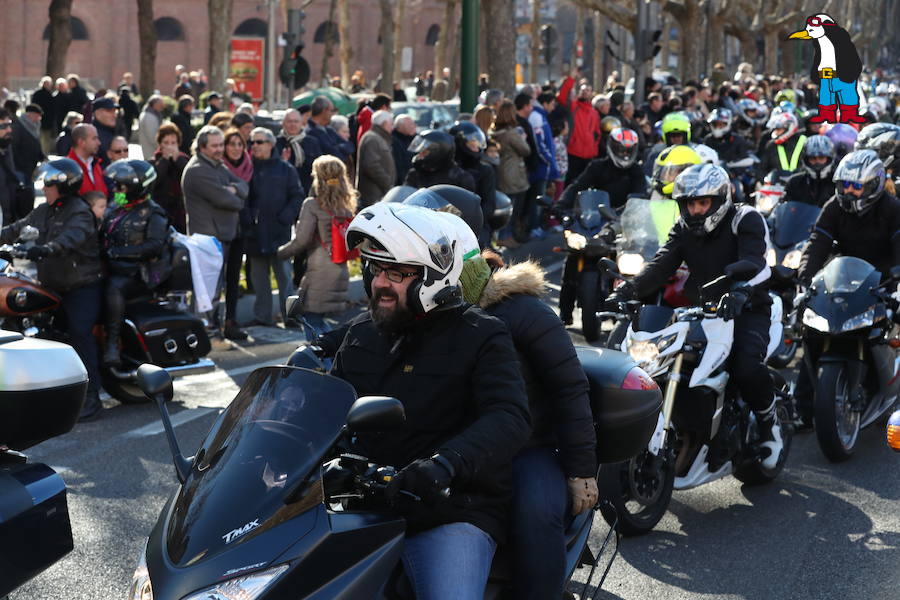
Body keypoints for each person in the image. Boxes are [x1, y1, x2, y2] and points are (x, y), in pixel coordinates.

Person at [332, 202, 531, 600]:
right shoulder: (361, 334)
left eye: (397, 273)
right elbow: (328, 408)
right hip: (363, 503)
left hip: (450, 510)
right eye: (374, 269)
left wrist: (445, 464)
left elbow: (509, 416)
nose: (379, 284)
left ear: (433, 276)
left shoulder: (481, 335)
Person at [441, 211, 597, 600]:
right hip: (452, 445)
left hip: (527, 448)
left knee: (536, 513)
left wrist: (581, 470)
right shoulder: (423, 312)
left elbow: (570, 388)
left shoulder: (523, 311)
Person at [607, 163, 784, 470]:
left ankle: (771, 427)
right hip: (701, 311)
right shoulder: (684, 227)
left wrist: (740, 291)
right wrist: (628, 290)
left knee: (745, 367)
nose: (697, 210)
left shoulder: (745, 219)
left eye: (703, 203)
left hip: (748, 308)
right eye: (690, 203)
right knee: (655, 360)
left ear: (719, 199)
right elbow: (662, 263)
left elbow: (757, 263)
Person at [795, 150, 900, 426]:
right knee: (814, 332)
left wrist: (898, 281)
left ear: (874, 184)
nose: (850, 192)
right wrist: (804, 280)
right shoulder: (834, 207)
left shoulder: (892, 208)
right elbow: (817, 243)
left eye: (857, 186)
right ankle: (803, 408)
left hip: (886, 278)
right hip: (845, 277)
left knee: (892, 330)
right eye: (845, 185)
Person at [0, 158, 103, 420]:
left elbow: (69, 240)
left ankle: (92, 397)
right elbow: (15, 229)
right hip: (53, 285)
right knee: (45, 334)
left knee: (79, 333)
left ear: (63, 185)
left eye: (48, 183)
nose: (43, 188)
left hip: (81, 285)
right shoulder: (44, 210)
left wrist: (43, 249)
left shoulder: (80, 212)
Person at [100, 159, 171, 367]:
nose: (116, 189)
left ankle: (112, 343)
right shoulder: (116, 208)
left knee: (114, 287)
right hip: (114, 268)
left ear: (136, 187)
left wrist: (118, 252)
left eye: (121, 186)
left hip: (140, 274)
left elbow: (155, 246)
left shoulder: (153, 212)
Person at [181, 125, 249, 340]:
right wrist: (234, 193)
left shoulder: (217, 165)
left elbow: (243, 186)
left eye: (221, 144)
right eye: (215, 145)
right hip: (209, 239)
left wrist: (235, 189)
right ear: (202, 147)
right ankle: (204, 335)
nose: (220, 149)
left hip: (224, 236)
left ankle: (214, 331)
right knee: (207, 292)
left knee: (219, 288)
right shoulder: (198, 169)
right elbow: (229, 201)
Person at [278, 155, 357, 329]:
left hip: (320, 270)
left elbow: (302, 240)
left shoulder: (312, 205)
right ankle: (330, 354)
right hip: (340, 268)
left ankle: (324, 356)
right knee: (318, 320)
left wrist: (280, 253)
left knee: (310, 320)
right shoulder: (346, 208)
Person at [244, 128, 303, 326]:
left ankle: (291, 318)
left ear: (270, 144)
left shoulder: (286, 169)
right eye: (252, 142)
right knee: (259, 280)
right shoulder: (247, 168)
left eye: (259, 142)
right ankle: (262, 317)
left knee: (285, 279)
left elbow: (297, 196)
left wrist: (284, 218)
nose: (255, 146)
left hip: (279, 234)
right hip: (255, 234)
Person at [491, 101, 531, 247]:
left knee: (504, 205)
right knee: (512, 207)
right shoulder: (511, 133)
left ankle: (504, 236)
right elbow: (526, 150)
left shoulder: (494, 132)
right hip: (513, 173)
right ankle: (506, 236)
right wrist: (524, 139)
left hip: (501, 172)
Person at [450, 121, 496, 246]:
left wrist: (473, 222)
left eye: (478, 144)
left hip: (476, 227)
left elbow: (489, 205)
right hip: (447, 227)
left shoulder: (485, 170)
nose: (477, 149)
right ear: (459, 144)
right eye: (472, 144)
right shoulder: (446, 168)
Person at [556, 73, 601, 184]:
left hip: (589, 155)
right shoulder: (573, 107)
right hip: (573, 153)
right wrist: (571, 79)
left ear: (591, 94)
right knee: (570, 183)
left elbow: (597, 133)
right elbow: (562, 97)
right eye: (583, 90)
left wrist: (593, 149)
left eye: (587, 90)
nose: (584, 92)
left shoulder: (594, 113)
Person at [148, 123, 190, 233]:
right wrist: (165, 160)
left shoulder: (183, 159)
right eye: (166, 143)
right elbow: (153, 180)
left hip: (181, 212)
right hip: (162, 210)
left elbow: (189, 175)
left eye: (173, 143)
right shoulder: (153, 162)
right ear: (160, 144)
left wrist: (178, 160)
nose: (170, 146)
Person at [403, 129, 475, 191]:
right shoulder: (415, 173)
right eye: (420, 151)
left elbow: (467, 205)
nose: (420, 155)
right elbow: (404, 199)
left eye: (424, 152)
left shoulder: (460, 178)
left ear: (438, 152)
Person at [355, 110, 396, 208]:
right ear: (384, 123)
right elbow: (371, 165)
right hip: (373, 194)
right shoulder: (372, 138)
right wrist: (387, 183)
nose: (392, 127)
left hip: (379, 193)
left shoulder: (378, 137)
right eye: (391, 123)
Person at [276, 108, 321, 196]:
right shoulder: (276, 143)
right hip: (285, 191)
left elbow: (318, 168)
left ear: (301, 123)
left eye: (296, 121)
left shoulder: (312, 142)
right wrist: (283, 162)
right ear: (283, 124)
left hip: (308, 191)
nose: (293, 124)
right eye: (289, 121)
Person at [783, 135, 837, 207]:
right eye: (813, 158)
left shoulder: (837, 183)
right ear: (806, 160)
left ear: (829, 159)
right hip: (801, 218)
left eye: (821, 158)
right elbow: (785, 207)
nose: (817, 163)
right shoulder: (794, 182)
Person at [758, 111, 807, 180]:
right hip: (777, 185)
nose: (776, 132)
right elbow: (762, 167)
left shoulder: (805, 142)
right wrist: (765, 180)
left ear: (790, 127)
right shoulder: (771, 145)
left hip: (800, 182)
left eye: (779, 129)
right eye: (775, 129)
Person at [66, 124, 108, 197]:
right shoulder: (67, 169)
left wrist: (120, 199)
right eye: (94, 138)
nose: (99, 143)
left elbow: (106, 196)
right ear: (81, 142)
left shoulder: (96, 163)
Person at [307, 96, 352, 162]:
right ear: (324, 111)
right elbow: (332, 155)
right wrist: (337, 148)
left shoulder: (329, 130)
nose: (332, 114)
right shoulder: (310, 131)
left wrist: (336, 148)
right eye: (331, 110)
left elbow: (350, 147)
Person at [91, 97, 120, 166]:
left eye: (115, 111)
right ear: (98, 114)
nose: (114, 115)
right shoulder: (91, 135)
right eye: (110, 111)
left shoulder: (110, 131)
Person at [31, 76, 57, 153]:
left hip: (43, 120)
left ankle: (44, 153)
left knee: (43, 138)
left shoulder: (41, 94)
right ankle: (44, 153)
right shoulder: (48, 95)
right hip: (42, 119)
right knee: (44, 138)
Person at [391, 114, 417, 186]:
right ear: (400, 127)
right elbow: (399, 166)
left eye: (413, 123)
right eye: (410, 124)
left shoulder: (413, 137)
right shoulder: (394, 141)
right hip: (401, 183)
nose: (413, 126)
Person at [138, 95, 164, 160]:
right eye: (160, 104)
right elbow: (153, 137)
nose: (162, 106)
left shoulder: (150, 114)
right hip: (151, 151)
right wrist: (162, 148)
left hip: (151, 150)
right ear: (154, 104)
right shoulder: (149, 117)